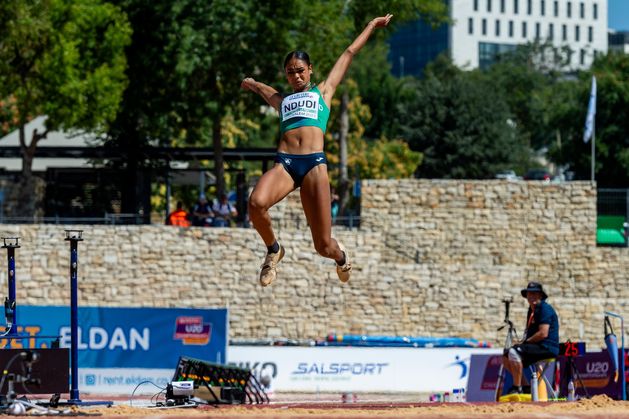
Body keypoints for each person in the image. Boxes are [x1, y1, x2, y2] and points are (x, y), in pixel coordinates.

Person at [241, 14, 393, 287]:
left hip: (313, 165)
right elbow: (267, 92)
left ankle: (342, 257)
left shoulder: (323, 91)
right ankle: (274, 250)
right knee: (256, 203)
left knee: (323, 246)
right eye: (290, 72)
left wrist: (371, 25)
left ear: (310, 69)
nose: (296, 75)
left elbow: (349, 53)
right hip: (285, 164)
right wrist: (252, 84)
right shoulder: (284, 101)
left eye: (300, 70)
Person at [502, 282, 559, 395]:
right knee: (506, 355)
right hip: (537, 345)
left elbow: (543, 333)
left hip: (547, 347)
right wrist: (523, 343)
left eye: (535, 293)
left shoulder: (544, 309)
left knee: (514, 352)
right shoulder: (532, 310)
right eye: (529, 294)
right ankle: (525, 386)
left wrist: (525, 343)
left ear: (540, 296)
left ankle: (516, 388)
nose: (531, 296)